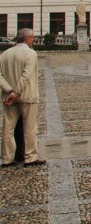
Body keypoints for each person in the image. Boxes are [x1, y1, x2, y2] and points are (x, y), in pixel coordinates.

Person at [0, 28, 44, 167]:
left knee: (8, 128)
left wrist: (9, 91)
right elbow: (26, 75)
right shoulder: (30, 53)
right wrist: (16, 92)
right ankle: (30, 157)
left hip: (9, 96)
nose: (33, 40)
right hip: (27, 95)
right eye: (32, 38)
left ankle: (7, 158)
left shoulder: (5, 54)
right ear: (27, 39)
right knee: (29, 127)